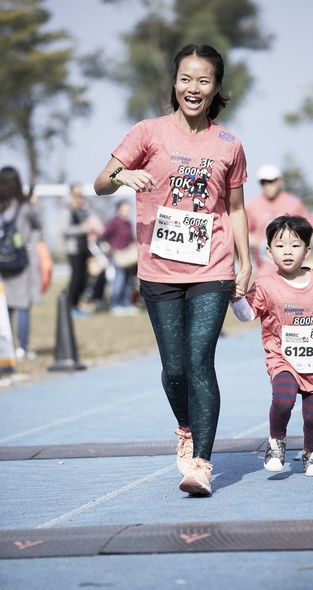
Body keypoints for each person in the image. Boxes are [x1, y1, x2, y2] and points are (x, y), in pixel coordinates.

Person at [94, 43, 252, 496]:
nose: (193, 88)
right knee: (175, 370)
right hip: (158, 270)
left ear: (217, 87)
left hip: (212, 267)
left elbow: (236, 208)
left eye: (204, 80)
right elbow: (100, 183)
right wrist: (126, 176)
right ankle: (185, 426)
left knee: (200, 361)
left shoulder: (229, 144)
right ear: (175, 83)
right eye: (186, 79)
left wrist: (246, 262)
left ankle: (201, 462)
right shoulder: (148, 133)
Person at [230, 215, 313, 477]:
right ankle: (276, 443)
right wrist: (235, 299)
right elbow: (248, 315)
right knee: (283, 400)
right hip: (283, 360)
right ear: (268, 251)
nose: (287, 252)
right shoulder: (266, 285)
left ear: (307, 250)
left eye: (295, 245)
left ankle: (312, 454)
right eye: (279, 246)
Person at [0, 166, 42, 361]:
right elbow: (38, 223)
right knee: (23, 305)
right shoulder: (25, 206)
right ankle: (23, 349)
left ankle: (7, 348)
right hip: (21, 263)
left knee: (6, 306)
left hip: (2, 263)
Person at [245, 164, 310, 277]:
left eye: (271, 181)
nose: (267, 186)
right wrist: (255, 241)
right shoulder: (252, 205)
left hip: (292, 268)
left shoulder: (293, 203)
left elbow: (307, 230)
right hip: (264, 268)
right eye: (263, 182)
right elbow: (244, 232)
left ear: (279, 181)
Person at [63, 183, 104, 317]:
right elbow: (65, 230)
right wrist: (82, 229)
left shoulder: (85, 210)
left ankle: (77, 305)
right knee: (76, 279)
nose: (79, 197)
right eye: (77, 194)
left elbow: (95, 224)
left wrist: (87, 210)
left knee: (85, 279)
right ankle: (70, 306)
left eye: (81, 194)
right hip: (74, 250)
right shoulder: (67, 210)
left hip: (85, 249)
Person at [100, 199, 138, 315]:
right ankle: (115, 304)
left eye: (129, 210)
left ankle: (126, 304)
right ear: (119, 210)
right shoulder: (115, 221)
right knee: (118, 282)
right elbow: (105, 235)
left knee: (127, 282)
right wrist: (112, 247)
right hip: (118, 257)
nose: (128, 212)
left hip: (128, 257)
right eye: (125, 210)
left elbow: (131, 238)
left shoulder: (128, 223)